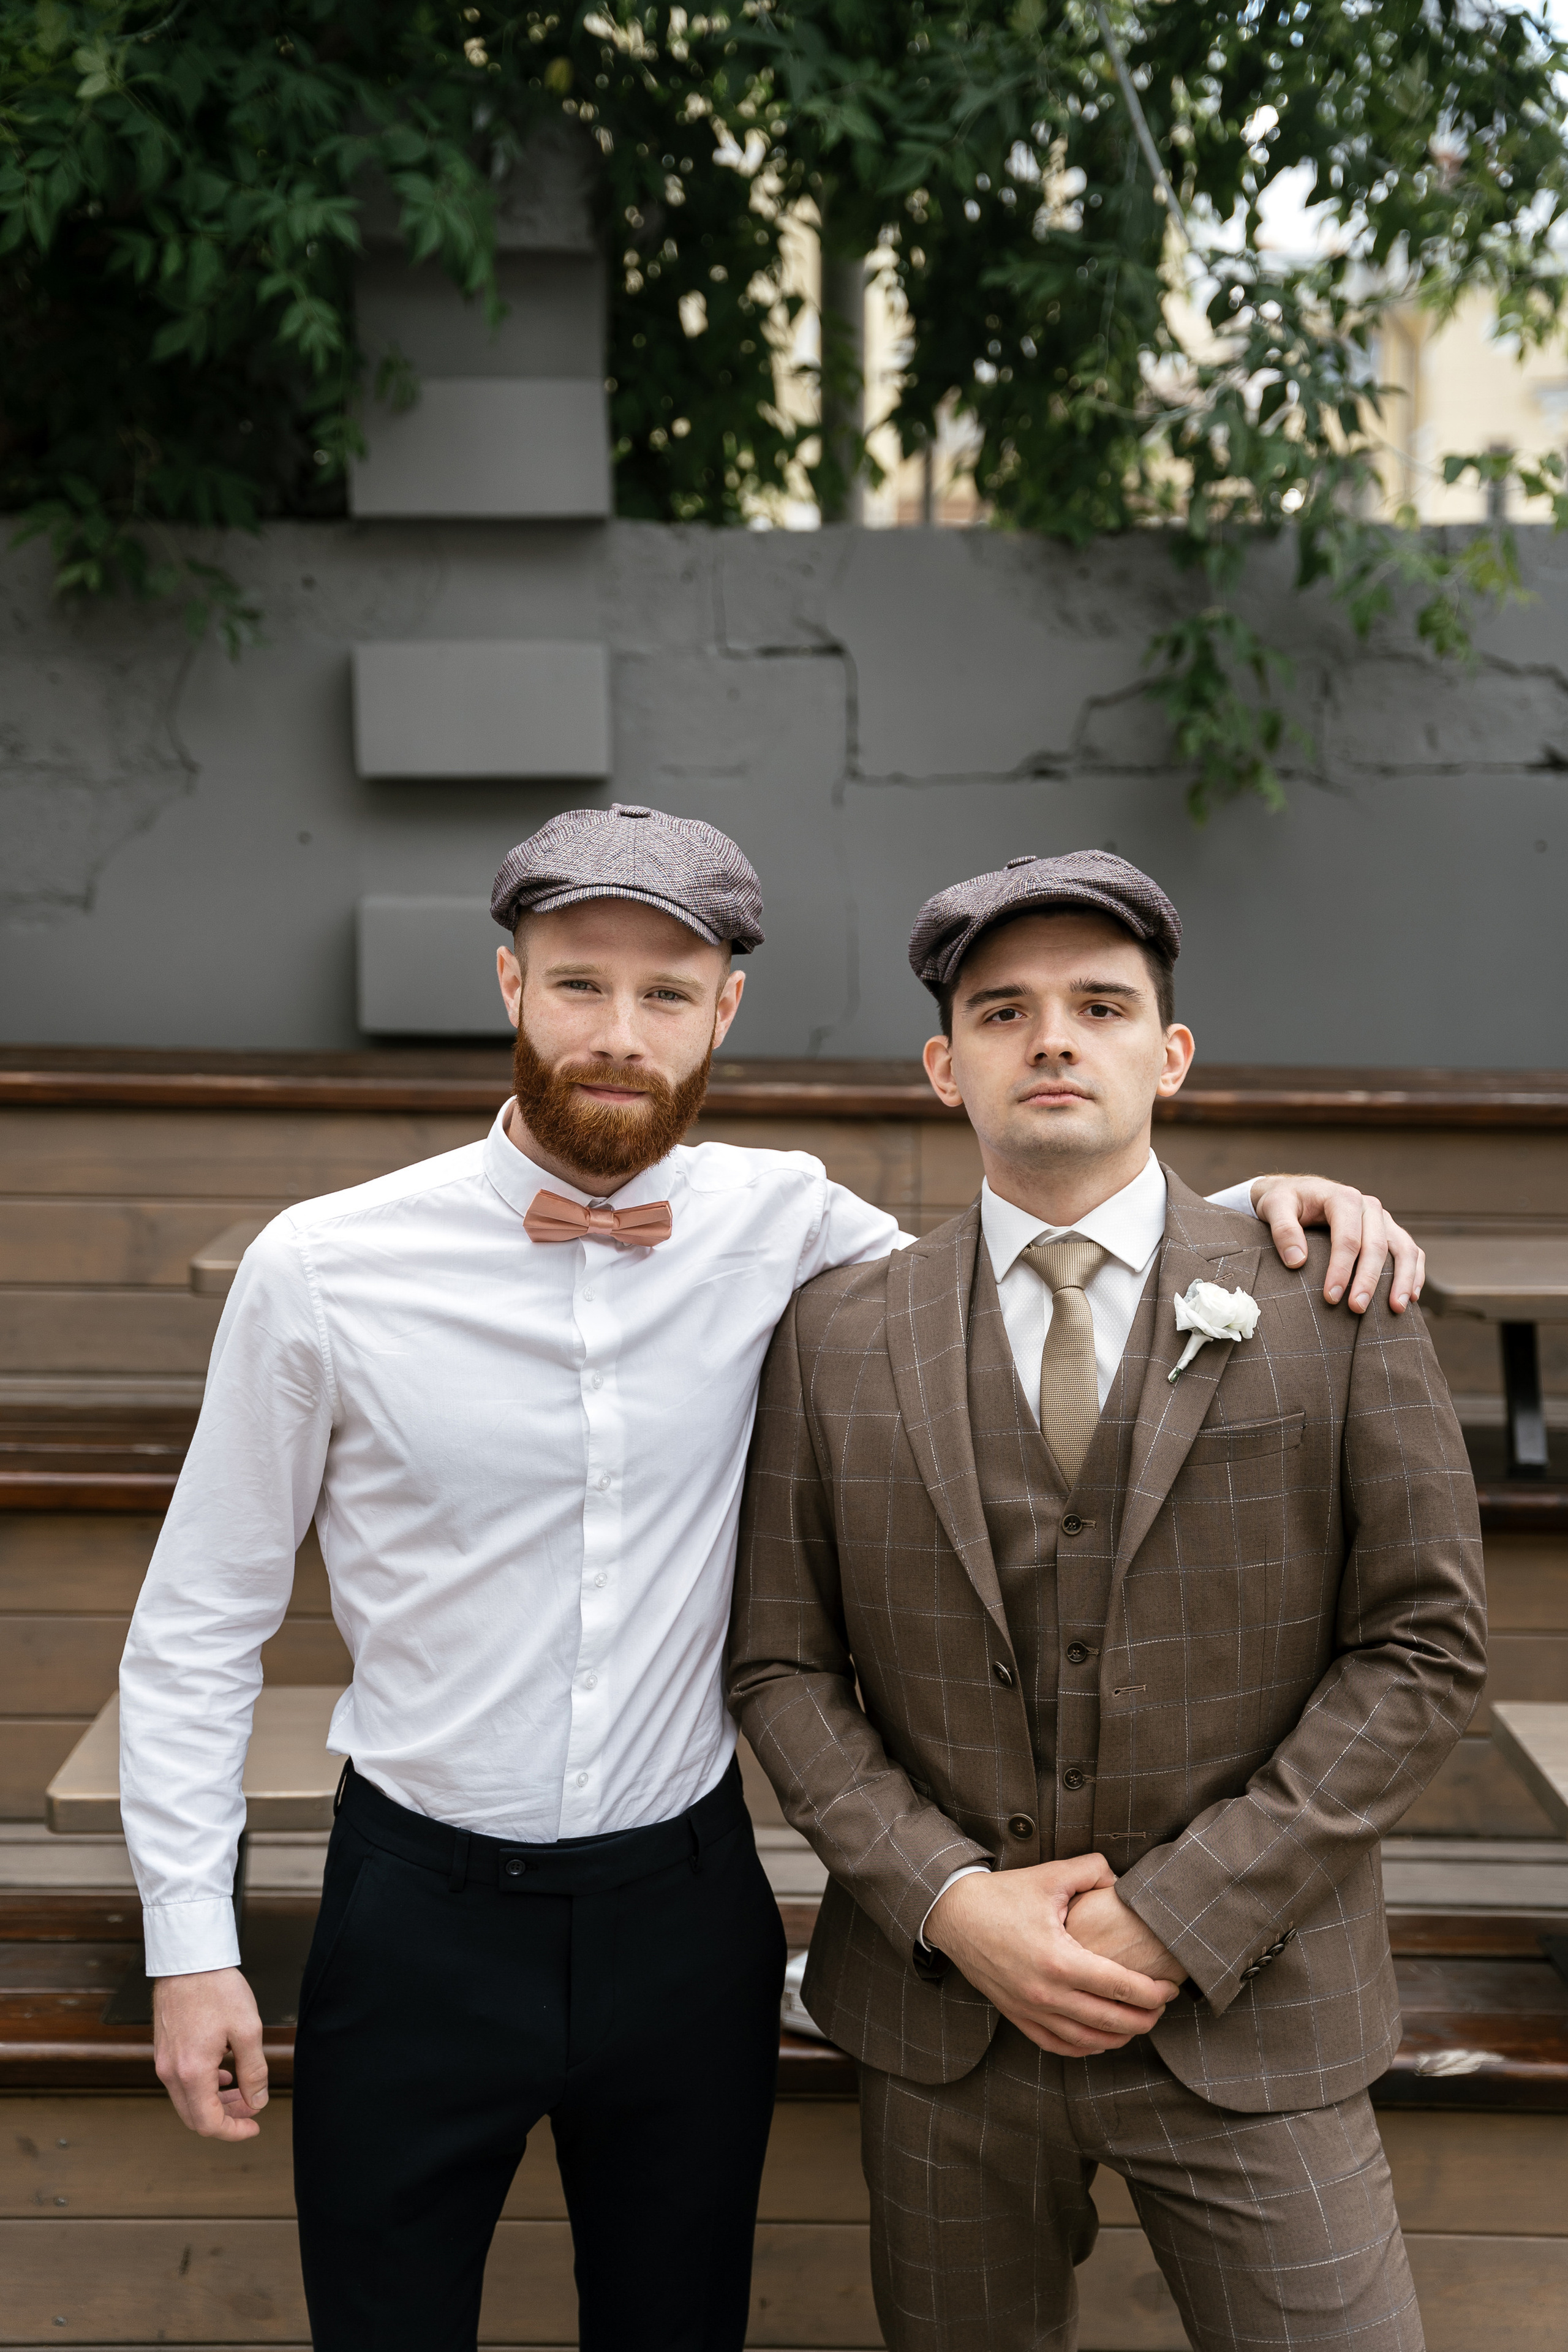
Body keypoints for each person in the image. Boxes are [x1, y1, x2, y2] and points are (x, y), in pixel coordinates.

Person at [120, 810, 1428, 2352]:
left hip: (678, 1917)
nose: (620, 1033)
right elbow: (198, 1623)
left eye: (666, 994)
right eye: (577, 984)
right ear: (511, 987)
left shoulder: (789, 1222)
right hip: (412, 1912)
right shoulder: (323, 1266)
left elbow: (1055, 1243)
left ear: (723, 1011)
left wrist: (1263, 1211)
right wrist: (191, 1946)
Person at [727, 848, 1485, 2352]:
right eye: (1001, 1013)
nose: (1051, 1041)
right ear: (944, 1068)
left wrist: (1178, 1915)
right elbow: (780, 1669)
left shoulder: (1330, 1295)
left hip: (1252, 2009)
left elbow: (1420, 1649)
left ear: (1169, 1053)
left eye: (1098, 1006)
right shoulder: (832, 1333)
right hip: (946, 2028)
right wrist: (949, 1902)